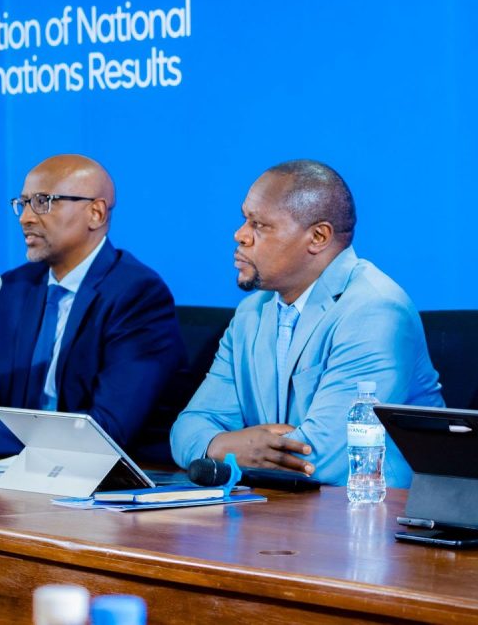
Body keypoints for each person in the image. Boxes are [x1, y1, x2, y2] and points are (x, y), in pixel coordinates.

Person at [0, 154, 186, 461]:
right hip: (15, 471)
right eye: (23, 203)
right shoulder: (12, 290)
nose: (25, 218)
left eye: (43, 202)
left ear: (95, 213)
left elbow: (106, 432)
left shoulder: (137, 295)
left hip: (103, 479)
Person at [170, 159, 443, 486]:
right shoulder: (251, 313)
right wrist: (223, 445)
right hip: (280, 505)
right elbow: (188, 428)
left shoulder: (374, 310)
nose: (240, 235)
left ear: (317, 237)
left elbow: (321, 458)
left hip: (373, 509)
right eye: (244, 219)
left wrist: (230, 450)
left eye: (259, 225)